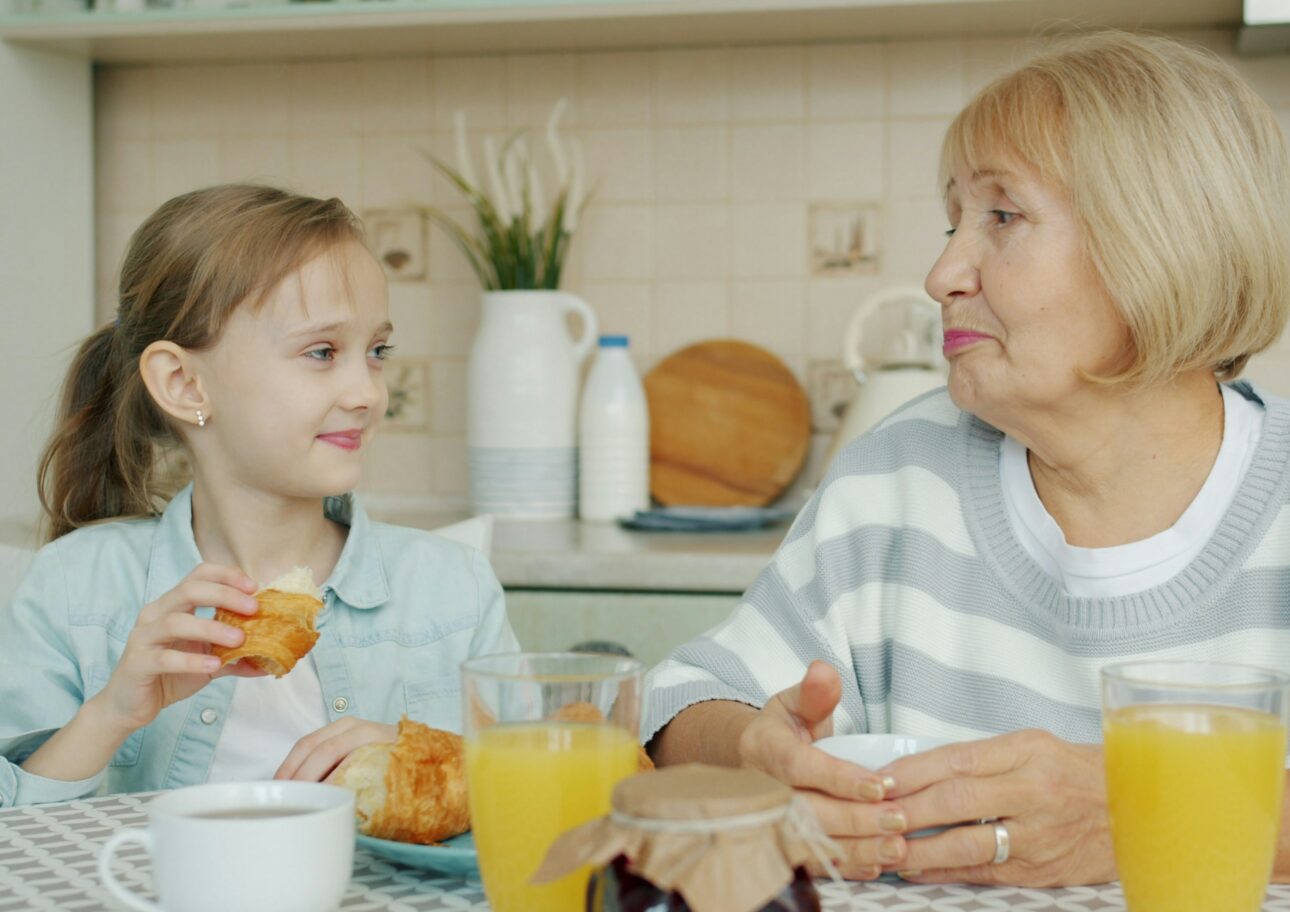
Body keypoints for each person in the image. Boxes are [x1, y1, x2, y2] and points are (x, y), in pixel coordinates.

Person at [645, 30, 1290, 887]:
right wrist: (753, 756)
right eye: (954, 222)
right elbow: (682, 698)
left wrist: (1151, 810)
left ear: (1162, 242)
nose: (942, 271)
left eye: (1003, 217)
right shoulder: (899, 475)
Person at [0, 184, 518, 807]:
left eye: (376, 351)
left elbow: (536, 799)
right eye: (322, 352)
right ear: (184, 383)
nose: (367, 392)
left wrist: (433, 760)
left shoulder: (454, 590)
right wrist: (112, 712)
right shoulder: (71, 587)